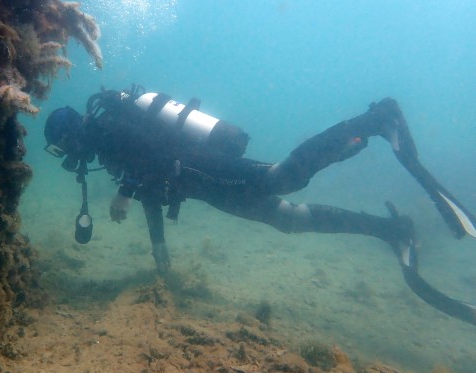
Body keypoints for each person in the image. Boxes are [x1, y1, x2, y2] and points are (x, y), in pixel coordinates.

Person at [43, 85, 476, 325]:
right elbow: (152, 195)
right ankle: (390, 230)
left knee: (279, 179)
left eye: (61, 147)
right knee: (286, 219)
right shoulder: (105, 141)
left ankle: (376, 120)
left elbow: (151, 159)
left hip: (200, 168)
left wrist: (125, 190)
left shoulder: (106, 131)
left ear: (70, 136)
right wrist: (161, 261)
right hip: (201, 183)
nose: (66, 156)